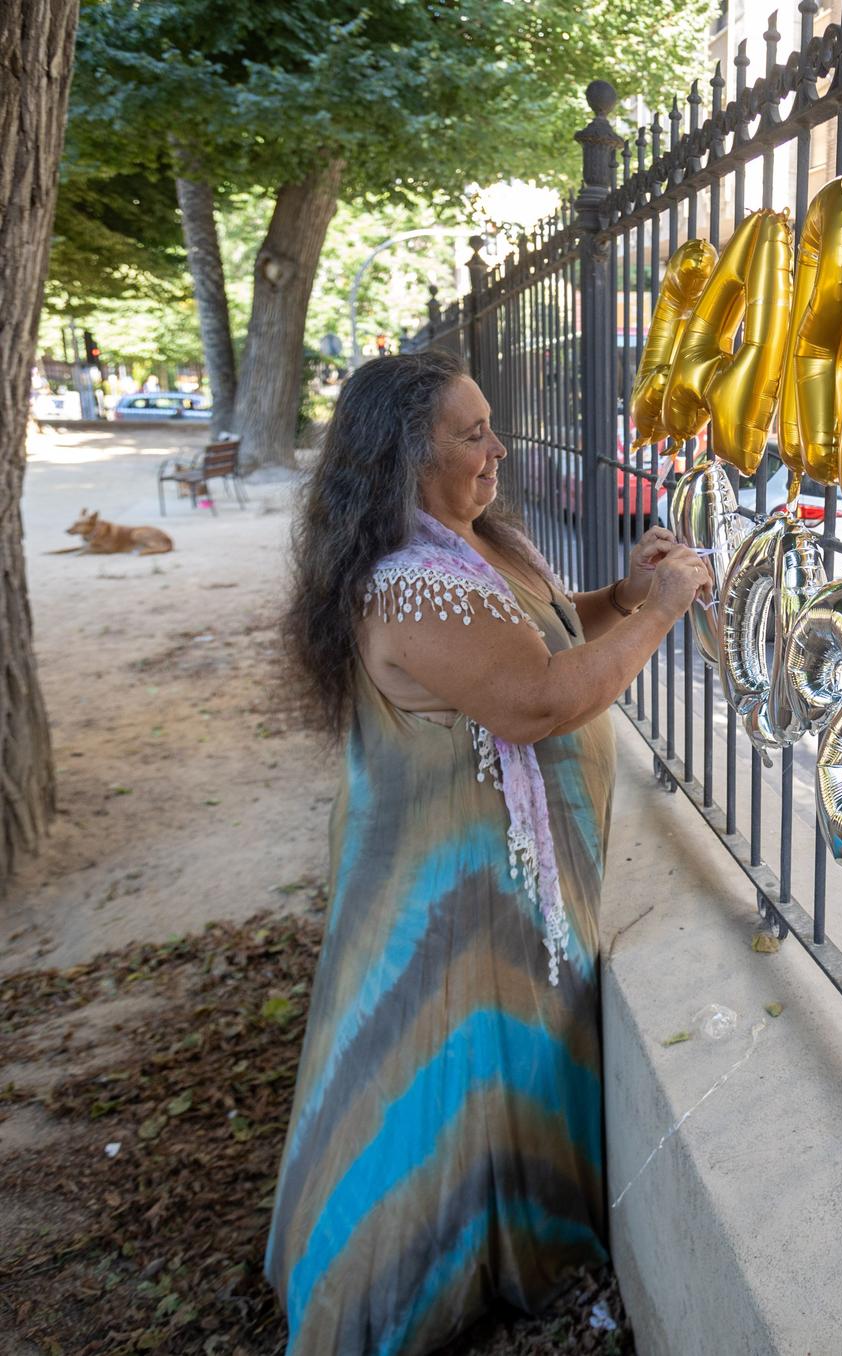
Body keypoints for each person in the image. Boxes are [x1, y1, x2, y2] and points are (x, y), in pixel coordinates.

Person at [268, 350, 708, 1353]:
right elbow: (540, 699)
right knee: (435, 1090)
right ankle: (403, 1290)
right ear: (401, 456)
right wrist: (664, 611)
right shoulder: (414, 587)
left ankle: (512, 1257)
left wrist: (621, 594)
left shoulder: (467, 548)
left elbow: (545, 640)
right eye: (471, 434)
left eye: (489, 426)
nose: (497, 448)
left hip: (497, 903)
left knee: (496, 1083)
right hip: (449, 913)